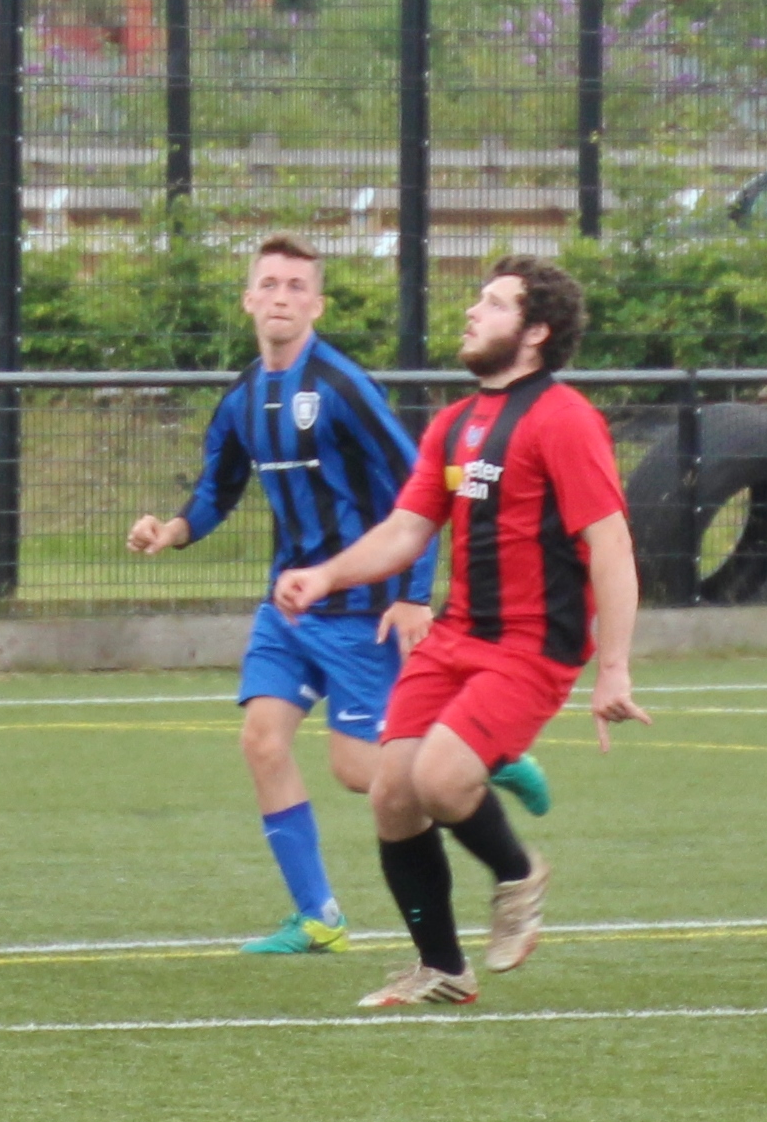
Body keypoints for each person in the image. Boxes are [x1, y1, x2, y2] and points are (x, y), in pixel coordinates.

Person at [128, 235, 549, 956]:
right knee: (262, 740)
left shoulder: (343, 387)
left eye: (297, 286)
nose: (282, 296)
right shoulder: (242, 397)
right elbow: (218, 488)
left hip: (361, 606)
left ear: (317, 305)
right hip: (289, 605)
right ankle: (318, 915)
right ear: (249, 299)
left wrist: (412, 594)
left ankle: (479, 756)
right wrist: (172, 530)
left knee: (361, 772)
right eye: (269, 283)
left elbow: (420, 486)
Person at [273, 255, 646, 1008]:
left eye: (494, 303)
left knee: (441, 778)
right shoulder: (455, 423)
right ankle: (442, 966)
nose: (473, 312)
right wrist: (327, 575)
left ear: (536, 333)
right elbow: (408, 528)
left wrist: (614, 667)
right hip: (456, 637)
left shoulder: (565, 419)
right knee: (392, 793)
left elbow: (611, 543)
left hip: (531, 645)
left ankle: (518, 874)